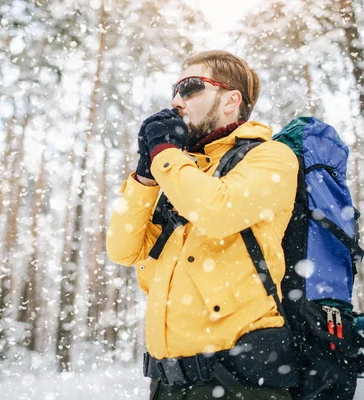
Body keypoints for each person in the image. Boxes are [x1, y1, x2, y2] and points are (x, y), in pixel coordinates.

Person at [106, 50, 299, 400]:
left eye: (190, 87)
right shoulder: (181, 175)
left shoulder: (269, 156)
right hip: (168, 385)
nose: (176, 101)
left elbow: (216, 211)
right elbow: (122, 250)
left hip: (241, 382)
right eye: (174, 90)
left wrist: (165, 155)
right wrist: (146, 176)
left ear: (231, 100)